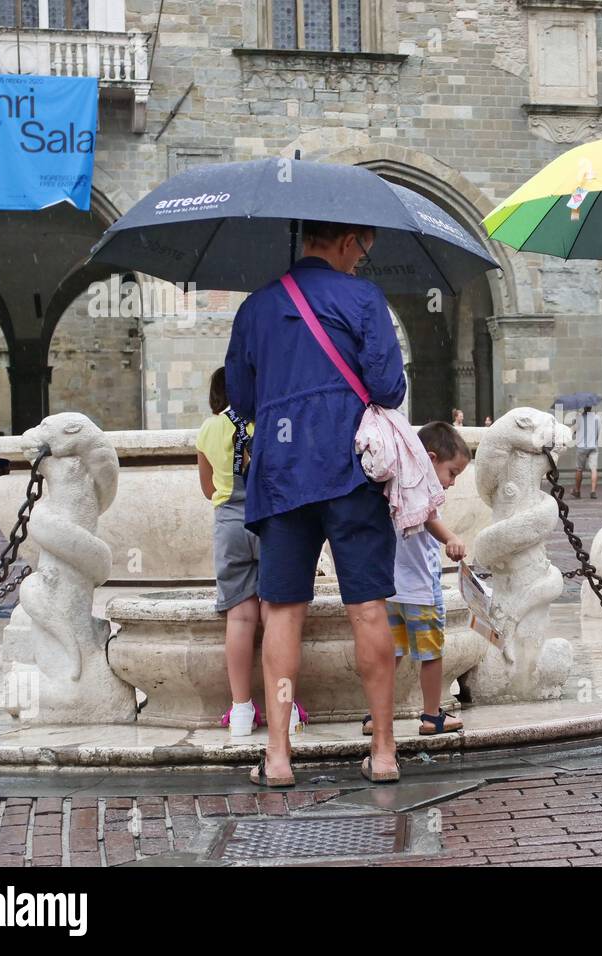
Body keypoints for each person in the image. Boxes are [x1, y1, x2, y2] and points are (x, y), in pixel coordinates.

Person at [226, 219, 407, 788]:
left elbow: (240, 397)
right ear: (349, 241)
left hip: (281, 478)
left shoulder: (256, 307)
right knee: (369, 608)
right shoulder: (363, 298)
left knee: (282, 611)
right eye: (365, 250)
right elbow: (388, 387)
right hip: (351, 469)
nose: (364, 261)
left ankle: (278, 756)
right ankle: (382, 750)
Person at [196, 367, 307, 737]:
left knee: (240, 620)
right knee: (278, 617)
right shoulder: (274, 422)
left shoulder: (209, 429)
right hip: (272, 519)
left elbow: (208, 487)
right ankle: (285, 710)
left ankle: (241, 710)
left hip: (230, 523)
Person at [361, 422, 470, 738]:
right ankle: (432, 715)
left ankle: (375, 716)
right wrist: (451, 538)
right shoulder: (422, 488)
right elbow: (430, 518)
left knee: (390, 653)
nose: (451, 483)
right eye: (452, 473)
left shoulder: (395, 482)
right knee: (431, 653)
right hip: (422, 589)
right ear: (431, 458)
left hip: (391, 588)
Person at [573, 404, 599, 499]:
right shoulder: (597, 417)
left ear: (583, 407)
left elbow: (574, 431)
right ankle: (593, 491)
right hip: (593, 446)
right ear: (591, 407)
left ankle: (577, 490)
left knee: (579, 469)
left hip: (581, 447)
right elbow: (597, 432)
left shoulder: (578, 417)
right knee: (594, 469)